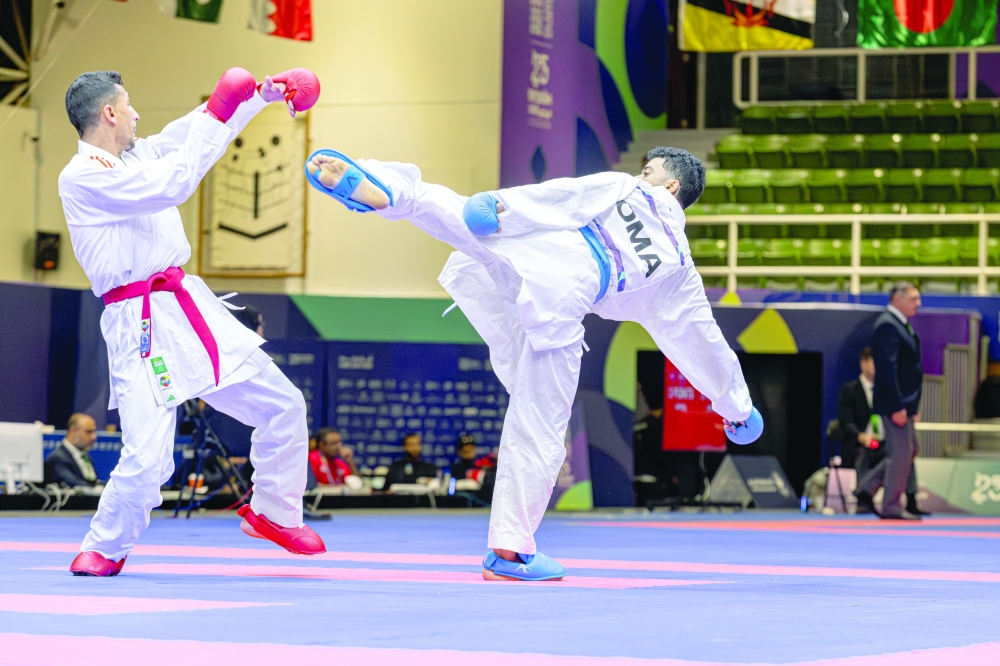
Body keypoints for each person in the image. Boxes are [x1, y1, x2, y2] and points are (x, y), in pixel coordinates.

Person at [306, 145, 758, 581]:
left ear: (671, 184)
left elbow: (560, 195)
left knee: (444, 207)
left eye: (651, 170)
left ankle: (383, 186)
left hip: (529, 248)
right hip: (563, 304)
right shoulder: (679, 268)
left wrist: (499, 206)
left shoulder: (625, 187)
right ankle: (509, 549)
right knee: (539, 426)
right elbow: (701, 342)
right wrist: (737, 409)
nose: (643, 175)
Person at [59, 67, 325, 576]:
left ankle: (273, 512)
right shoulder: (84, 176)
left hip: (187, 306)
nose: (137, 113)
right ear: (110, 112)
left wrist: (260, 96)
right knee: (149, 458)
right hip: (138, 320)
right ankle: (105, 546)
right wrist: (225, 103)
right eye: (129, 103)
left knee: (283, 406)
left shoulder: (137, 154)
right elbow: (176, 183)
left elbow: (199, 126)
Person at [855, 282, 925, 520]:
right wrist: (897, 406)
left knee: (909, 450)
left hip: (905, 403)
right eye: (914, 298)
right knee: (900, 455)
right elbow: (887, 369)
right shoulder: (887, 326)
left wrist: (912, 407)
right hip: (896, 403)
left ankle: (865, 488)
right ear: (898, 298)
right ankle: (891, 506)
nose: (918, 303)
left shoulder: (899, 325)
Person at [44, 414, 101, 488]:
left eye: (94, 431)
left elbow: (93, 481)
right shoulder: (57, 458)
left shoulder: (86, 457)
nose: (94, 437)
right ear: (74, 431)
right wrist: (98, 489)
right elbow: (73, 483)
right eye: (88, 432)